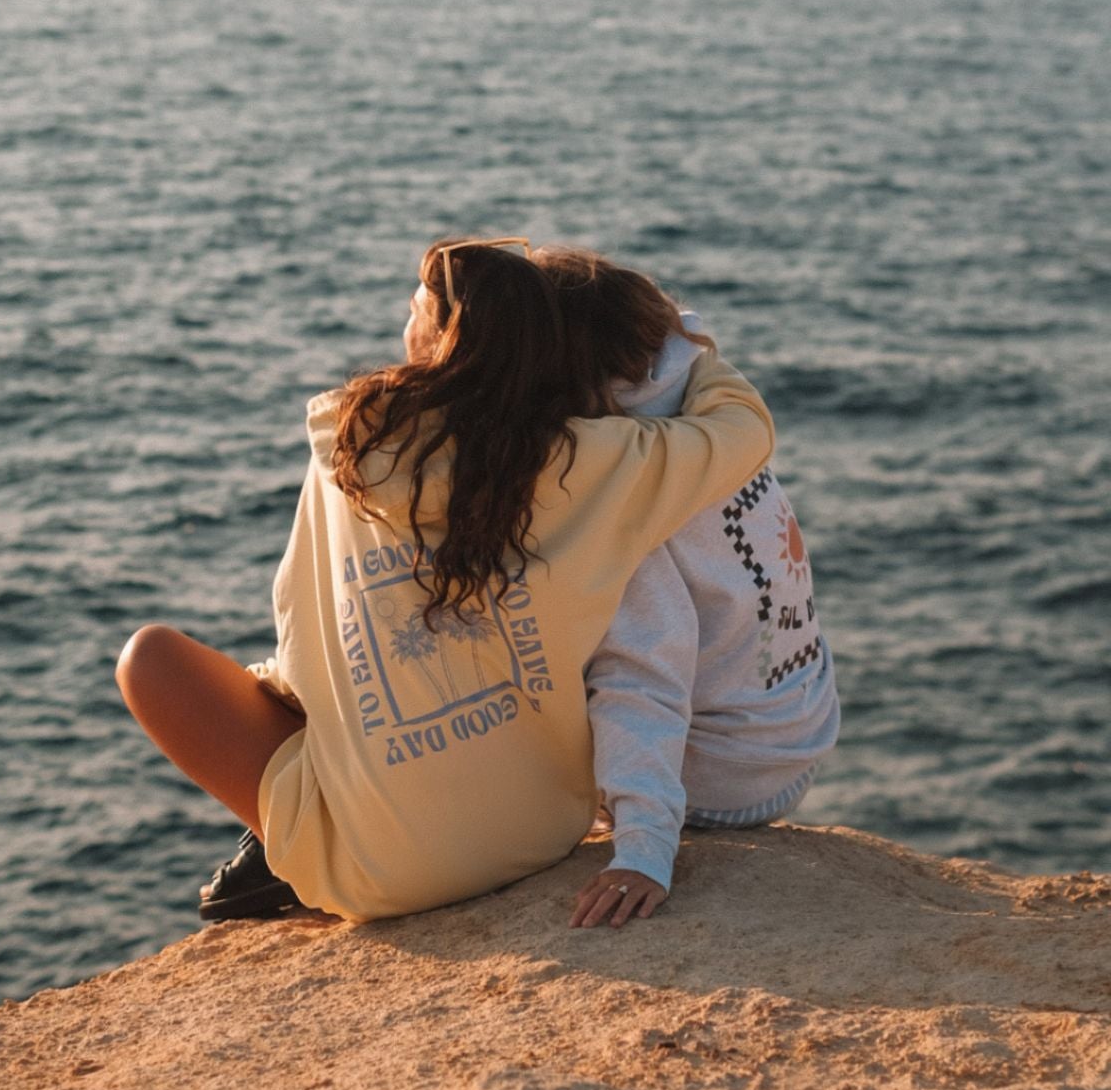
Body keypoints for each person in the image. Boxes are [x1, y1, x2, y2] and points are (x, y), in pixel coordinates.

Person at [118, 236, 775, 925]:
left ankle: (284, 848)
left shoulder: (348, 445)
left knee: (150, 659)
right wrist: (689, 338)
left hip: (382, 873)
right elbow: (744, 429)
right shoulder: (602, 464)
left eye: (414, 309)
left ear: (438, 341)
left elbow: (304, 620)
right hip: (543, 830)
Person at [528, 250, 839, 932]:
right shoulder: (700, 410)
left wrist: (642, 849)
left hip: (729, 776)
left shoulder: (626, 485)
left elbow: (642, 675)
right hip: (795, 722)